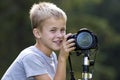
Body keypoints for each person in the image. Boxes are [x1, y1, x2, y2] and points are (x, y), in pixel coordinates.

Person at [1, 2, 75, 80]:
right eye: (53, 30)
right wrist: (62, 58)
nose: (60, 35)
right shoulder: (30, 56)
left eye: (62, 30)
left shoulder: (52, 55)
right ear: (37, 33)